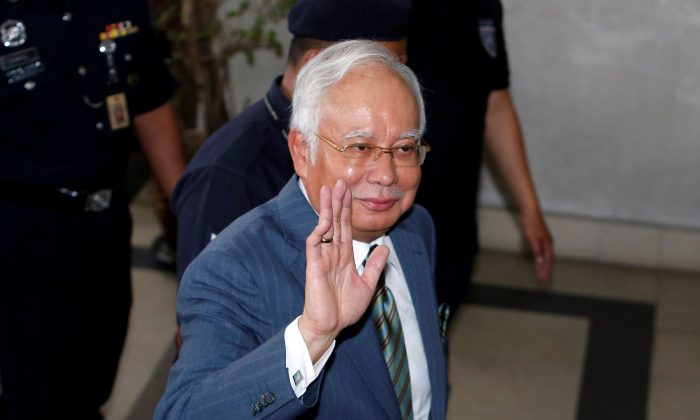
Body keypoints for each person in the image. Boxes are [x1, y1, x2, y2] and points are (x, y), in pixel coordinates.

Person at [156, 40, 447, 419]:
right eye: (359, 147)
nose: (387, 175)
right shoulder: (232, 267)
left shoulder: (415, 229)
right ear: (301, 151)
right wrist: (312, 336)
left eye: (405, 148)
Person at [0, 1, 186, 418]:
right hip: (23, 231)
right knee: (33, 389)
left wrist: (187, 206)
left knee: (94, 372)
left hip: (105, 223)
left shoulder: (120, 6)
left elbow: (150, 103)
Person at [172, 0, 411, 278]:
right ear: (314, 66)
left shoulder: (392, 157)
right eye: (377, 72)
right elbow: (207, 309)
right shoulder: (230, 175)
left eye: (401, 70)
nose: (398, 86)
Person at [407, 0, 555, 320]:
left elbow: (495, 102)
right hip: (395, 221)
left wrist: (529, 209)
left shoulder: (486, 6)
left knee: (437, 340)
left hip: (456, 223)